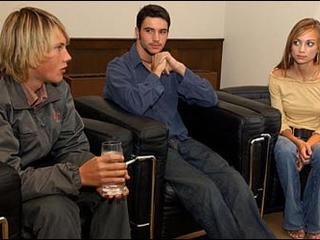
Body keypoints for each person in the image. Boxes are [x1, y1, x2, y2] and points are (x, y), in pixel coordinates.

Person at [104, 4, 274, 239]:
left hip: (184, 141)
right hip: (156, 149)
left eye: (162, 32)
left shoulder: (170, 68)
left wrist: (180, 68)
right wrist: (154, 74)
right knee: (206, 190)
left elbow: (209, 97)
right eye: (149, 30)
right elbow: (135, 105)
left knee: (234, 181)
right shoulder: (118, 68)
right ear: (136, 32)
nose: (156, 38)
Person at [0, 7, 131, 239]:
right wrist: (78, 176)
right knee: (57, 210)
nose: (68, 56)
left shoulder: (59, 89)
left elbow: (72, 146)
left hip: (54, 176)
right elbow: (9, 180)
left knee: (113, 192)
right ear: (31, 52)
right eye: (59, 48)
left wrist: (100, 172)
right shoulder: (3, 99)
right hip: (15, 191)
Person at [269, 18, 320, 239]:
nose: (301, 50)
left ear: (319, 48)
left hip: (317, 135)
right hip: (288, 134)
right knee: (283, 150)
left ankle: (314, 222)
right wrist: (298, 143)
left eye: (310, 44)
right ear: (290, 45)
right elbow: (279, 119)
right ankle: (293, 219)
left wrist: (308, 145)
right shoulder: (277, 75)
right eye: (297, 42)